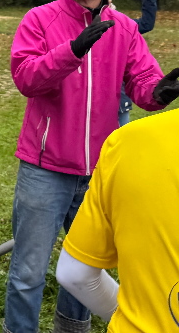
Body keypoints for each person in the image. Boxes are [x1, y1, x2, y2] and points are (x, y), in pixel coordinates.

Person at [4, 0, 177, 333]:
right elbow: (26, 78)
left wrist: (160, 91)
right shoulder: (39, 19)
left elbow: (143, 81)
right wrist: (72, 51)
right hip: (45, 168)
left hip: (99, 171)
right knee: (28, 271)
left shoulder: (124, 28)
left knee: (84, 268)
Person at [56, 105, 179, 331]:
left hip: (120, 154)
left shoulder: (129, 142)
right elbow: (29, 84)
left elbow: (75, 273)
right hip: (52, 158)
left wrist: (133, 314)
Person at [104, 0, 160, 126]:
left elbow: (146, 24)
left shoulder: (123, 25)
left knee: (122, 137)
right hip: (91, 99)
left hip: (119, 98)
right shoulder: (81, 25)